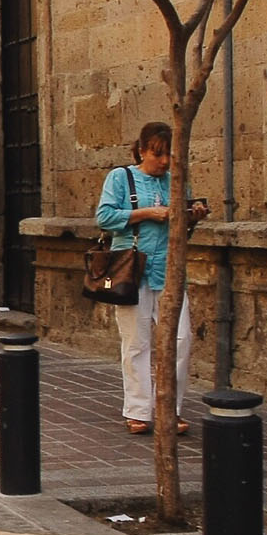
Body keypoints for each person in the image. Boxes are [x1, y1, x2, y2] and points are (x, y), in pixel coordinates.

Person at [95, 121, 208, 436]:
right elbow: (104, 217)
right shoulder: (121, 178)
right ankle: (138, 410)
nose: (163, 161)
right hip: (133, 271)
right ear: (142, 150)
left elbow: (180, 230)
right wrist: (144, 214)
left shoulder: (176, 182)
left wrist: (192, 215)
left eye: (168, 155)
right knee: (137, 341)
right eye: (157, 154)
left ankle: (170, 408)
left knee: (181, 340)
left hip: (170, 272)